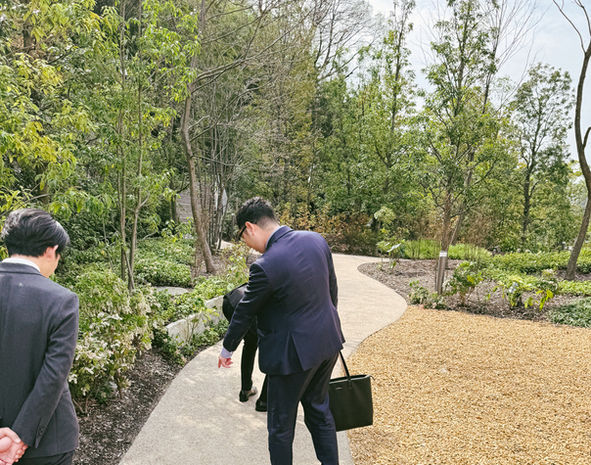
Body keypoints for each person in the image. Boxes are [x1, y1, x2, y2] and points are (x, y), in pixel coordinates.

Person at [218, 197, 344, 465]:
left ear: (250, 227)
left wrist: (227, 349)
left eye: (242, 237)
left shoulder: (265, 265)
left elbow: (245, 311)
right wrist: (326, 324)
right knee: (319, 411)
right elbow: (331, 290)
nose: (246, 244)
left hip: (292, 358)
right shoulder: (315, 240)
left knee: (280, 428)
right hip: (328, 343)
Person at [0, 209, 79, 465]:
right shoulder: (61, 300)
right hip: (47, 443)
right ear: (51, 250)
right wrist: (20, 436)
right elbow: (53, 375)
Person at [222, 283, 268, 411]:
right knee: (275, 351)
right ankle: (264, 401)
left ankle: (246, 390)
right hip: (246, 307)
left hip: (231, 301)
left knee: (250, 342)